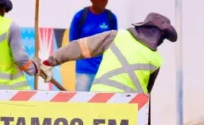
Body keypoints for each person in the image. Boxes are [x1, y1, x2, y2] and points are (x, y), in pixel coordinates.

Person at [34, 12, 177, 94]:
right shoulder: (156, 59)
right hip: (130, 111)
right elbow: (146, 97)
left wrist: (49, 62)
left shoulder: (117, 36)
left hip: (102, 100)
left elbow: (78, 48)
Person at [68, 0, 118, 91]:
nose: (105, 0)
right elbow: (73, 43)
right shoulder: (80, 17)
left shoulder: (111, 18)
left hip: (104, 71)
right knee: (82, 100)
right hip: (84, 71)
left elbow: (114, 43)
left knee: (103, 101)